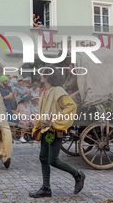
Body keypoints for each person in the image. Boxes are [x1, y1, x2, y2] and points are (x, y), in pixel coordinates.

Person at [29, 67, 85, 198]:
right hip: (45, 129)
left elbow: (71, 106)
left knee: (53, 160)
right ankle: (46, 188)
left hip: (55, 129)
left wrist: (55, 120)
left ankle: (78, 174)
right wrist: (35, 128)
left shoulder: (58, 90)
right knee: (43, 158)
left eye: (43, 73)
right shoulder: (45, 92)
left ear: (49, 76)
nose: (41, 75)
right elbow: (41, 112)